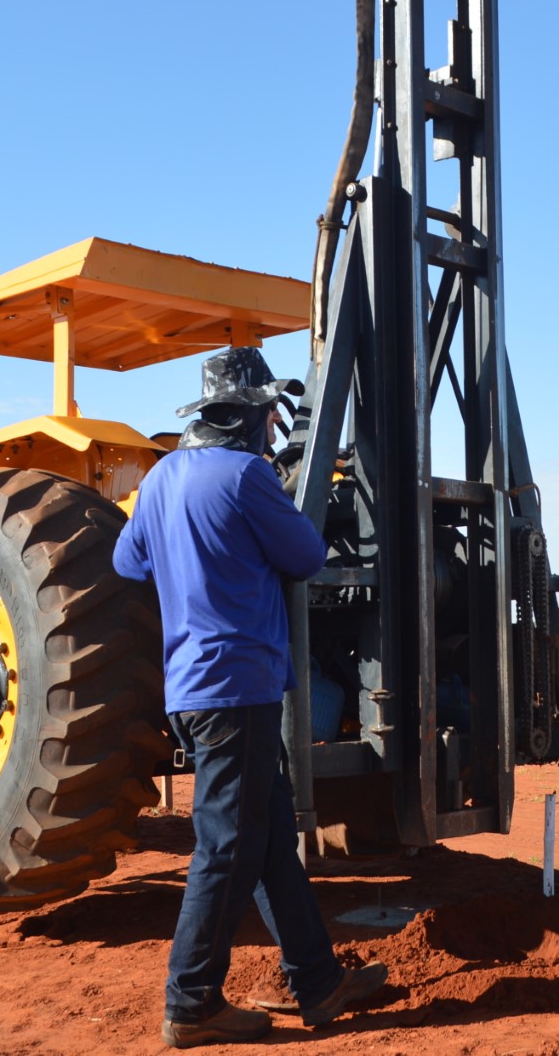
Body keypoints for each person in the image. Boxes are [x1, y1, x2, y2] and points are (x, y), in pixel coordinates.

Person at [114, 346, 388, 1049]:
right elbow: (305, 557)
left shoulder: (162, 477)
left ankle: (318, 982)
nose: (272, 427)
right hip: (241, 686)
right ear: (249, 416)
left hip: (192, 687)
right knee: (226, 846)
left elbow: (127, 560)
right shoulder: (246, 477)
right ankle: (191, 1000)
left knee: (262, 840)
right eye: (268, 415)